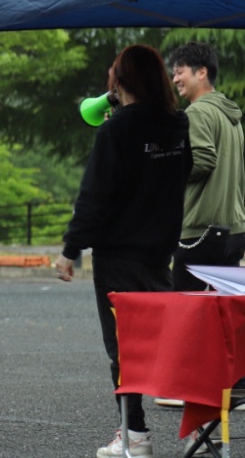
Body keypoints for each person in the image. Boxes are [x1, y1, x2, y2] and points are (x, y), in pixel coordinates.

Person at [54, 44, 192, 458]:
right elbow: (183, 173)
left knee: (124, 348)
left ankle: (135, 434)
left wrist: (70, 249)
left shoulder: (116, 130)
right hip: (160, 253)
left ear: (121, 81)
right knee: (168, 343)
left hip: (118, 257)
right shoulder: (177, 123)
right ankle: (198, 428)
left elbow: (94, 196)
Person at [168, 41, 245, 289]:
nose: (175, 79)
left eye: (180, 72)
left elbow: (202, 160)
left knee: (185, 308)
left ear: (201, 72)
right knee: (223, 308)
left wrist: (167, 173)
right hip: (234, 231)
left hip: (201, 232)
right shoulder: (231, 115)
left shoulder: (197, 112)